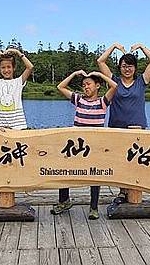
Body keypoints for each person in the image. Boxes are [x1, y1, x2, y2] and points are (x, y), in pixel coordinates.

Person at [51, 70, 118, 220]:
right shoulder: (79, 100)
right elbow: (60, 87)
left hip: (94, 146)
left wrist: (100, 75)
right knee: (65, 171)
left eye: (88, 84)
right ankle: (64, 201)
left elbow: (115, 86)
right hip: (76, 146)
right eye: (83, 85)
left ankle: (93, 208)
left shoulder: (102, 102)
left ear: (97, 86)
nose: (85, 87)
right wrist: (74, 74)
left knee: (94, 176)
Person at [97, 42, 150, 201]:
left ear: (135, 68)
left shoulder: (141, 82)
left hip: (136, 128)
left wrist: (141, 47)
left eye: (130, 66)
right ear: (120, 67)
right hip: (116, 127)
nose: (127, 69)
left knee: (136, 162)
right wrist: (114, 47)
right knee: (119, 161)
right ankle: (123, 191)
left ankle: (135, 191)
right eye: (124, 66)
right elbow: (100, 62)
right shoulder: (114, 81)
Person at [0, 47, 33, 130]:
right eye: (3, 67)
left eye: (9, 67)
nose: (6, 70)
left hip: (17, 124)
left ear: (13, 68)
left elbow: (30, 67)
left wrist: (18, 52)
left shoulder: (19, 81)